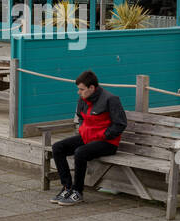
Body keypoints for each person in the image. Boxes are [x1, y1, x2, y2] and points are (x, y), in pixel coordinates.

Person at [50, 70, 127, 206]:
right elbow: (80, 117)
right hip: (88, 138)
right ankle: (67, 187)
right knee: (58, 147)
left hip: (107, 143)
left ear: (92, 88)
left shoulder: (111, 99)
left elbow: (120, 124)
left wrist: (104, 135)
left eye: (81, 89)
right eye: (78, 89)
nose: (79, 92)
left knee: (80, 152)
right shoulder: (83, 99)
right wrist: (82, 129)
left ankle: (78, 192)